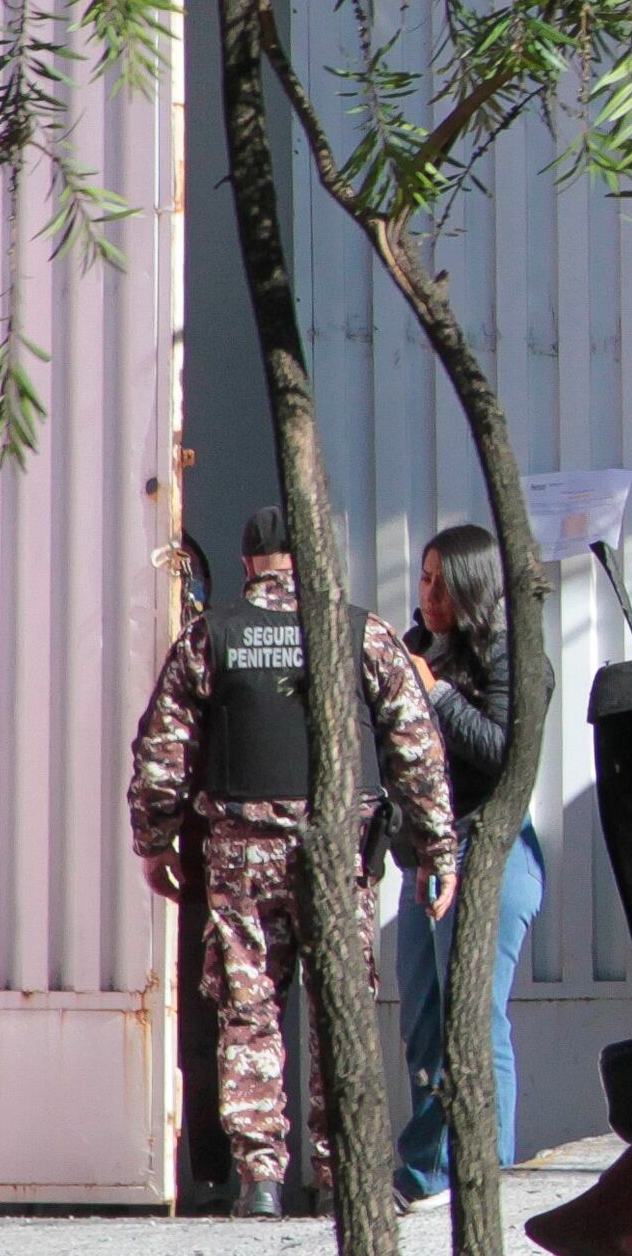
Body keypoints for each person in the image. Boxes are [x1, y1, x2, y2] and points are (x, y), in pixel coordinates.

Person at [128, 506, 455, 1215]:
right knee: (339, 1008)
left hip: (242, 857)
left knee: (249, 1010)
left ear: (248, 566)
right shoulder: (358, 631)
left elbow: (163, 752)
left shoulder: (210, 636)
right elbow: (415, 744)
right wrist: (436, 849)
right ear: (305, 560)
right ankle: (343, 1178)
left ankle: (262, 1182)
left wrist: (154, 841)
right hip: (338, 853)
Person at [392, 522, 545, 1212]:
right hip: (427, 853)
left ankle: (488, 1170)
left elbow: (502, 749)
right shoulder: (423, 649)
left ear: (472, 585)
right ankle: (428, 1170)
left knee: (475, 1017)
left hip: (489, 851)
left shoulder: (513, 655)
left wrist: (437, 694)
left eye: (440, 581)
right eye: (422, 578)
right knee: (424, 1017)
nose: (427, 594)